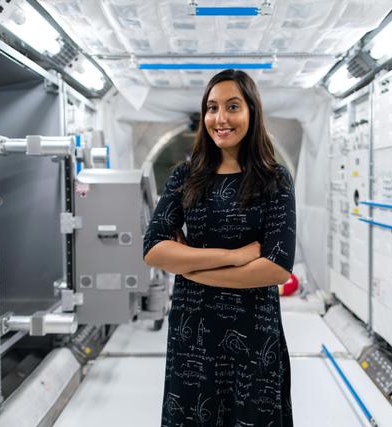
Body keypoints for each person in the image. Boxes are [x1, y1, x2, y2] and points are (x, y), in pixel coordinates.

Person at [143, 68, 296, 426]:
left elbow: (276, 268)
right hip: (192, 332)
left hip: (253, 333)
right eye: (212, 108)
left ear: (251, 113)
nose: (220, 118)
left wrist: (189, 266)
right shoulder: (186, 175)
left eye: (232, 106)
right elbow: (153, 248)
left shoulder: (274, 179)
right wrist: (234, 257)